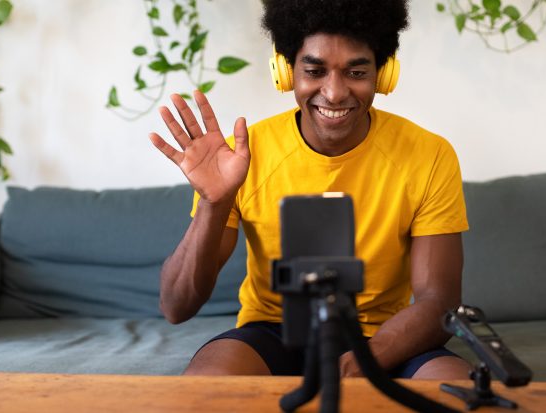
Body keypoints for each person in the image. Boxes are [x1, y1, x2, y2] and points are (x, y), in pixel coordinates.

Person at [148, 0, 471, 379]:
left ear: (383, 75)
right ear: (286, 72)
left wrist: (364, 361)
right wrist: (212, 203)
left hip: (384, 336)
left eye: (356, 71)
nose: (334, 93)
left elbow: (439, 301)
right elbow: (176, 307)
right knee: (206, 389)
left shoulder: (429, 155)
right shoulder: (241, 157)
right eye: (315, 70)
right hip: (273, 331)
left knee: (457, 390)